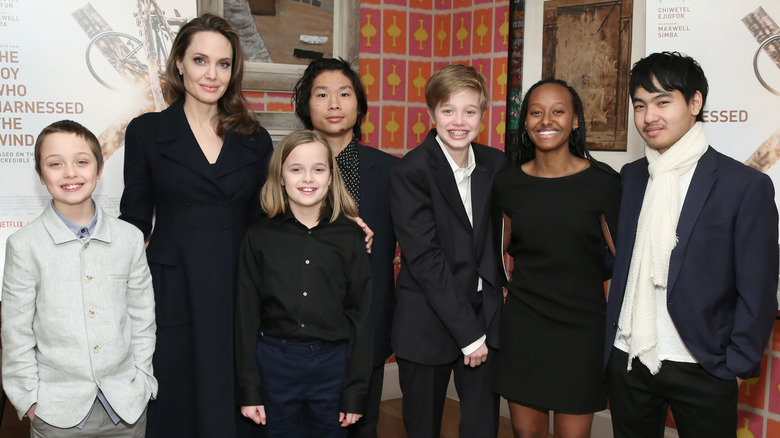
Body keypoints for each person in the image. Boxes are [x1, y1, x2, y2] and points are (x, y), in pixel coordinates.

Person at [604, 51, 779, 438]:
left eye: (663, 101)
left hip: (704, 364)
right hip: (630, 357)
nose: (650, 116)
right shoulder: (632, 177)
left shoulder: (744, 185)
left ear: (695, 102)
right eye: (640, 105)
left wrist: (734, 366)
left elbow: (759, 289)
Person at [118, 14, 273, 438]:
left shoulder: (255, 138)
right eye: (201, 60)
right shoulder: (148, 132)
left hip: (238, 287)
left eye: (223, 64)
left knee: (236, 399)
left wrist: (340, 218)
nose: (212, 73)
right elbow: (133, 219)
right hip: (173, 288)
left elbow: (269, 220)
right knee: (178, 402)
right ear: (180, 63)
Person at [2, 120, 157, 437]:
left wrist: (142, 380)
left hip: (126, 409)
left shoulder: (128, 239)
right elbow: (16, 333)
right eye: (55, 164)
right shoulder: (24, 245)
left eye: (82, 162)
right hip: (56, 412)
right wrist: (30, 399)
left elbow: (142, 318)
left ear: (99, 170)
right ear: (41, 175)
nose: (70, 173)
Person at [492, 79, 621, 438]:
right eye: (536, 112)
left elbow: (624, 263)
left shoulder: (603, 183)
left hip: (582, 333)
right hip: (524, 328)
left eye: (558, 111)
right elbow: (492, 254)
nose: (546, 120)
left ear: (575, 120)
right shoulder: (507, 185)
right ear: (525, 122)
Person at [390, 63, 505, 438]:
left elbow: (502, 233)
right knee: (423, 428)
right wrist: (468, 334)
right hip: (427, 319)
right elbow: (426, 260)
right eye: (448, 110)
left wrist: (500, 288)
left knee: (481, 427)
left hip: (483, 316)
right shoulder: (412, 170)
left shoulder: (495, 163)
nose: (460, 121)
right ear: (431, 114)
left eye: (470, 111)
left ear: (482, 115)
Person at [235, 130, 372, 437]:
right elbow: (245, 316)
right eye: (296, 169)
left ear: (331, 177)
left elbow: (361, 317)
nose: (307, 178)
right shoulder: (259, 236)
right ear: (280, 177)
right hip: (275, 364)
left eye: (318, 169)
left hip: (333, 367)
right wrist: (250, 389)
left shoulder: (350, 237)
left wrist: (355, 391)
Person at [292, 57, 398, 438]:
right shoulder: (284, 168)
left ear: (359, 105)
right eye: (322, 94)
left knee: (361, 426)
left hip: (365, 321)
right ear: (307, 106)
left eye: (344, 93)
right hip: (299, 324)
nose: (334, 103)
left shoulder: (390, 171)